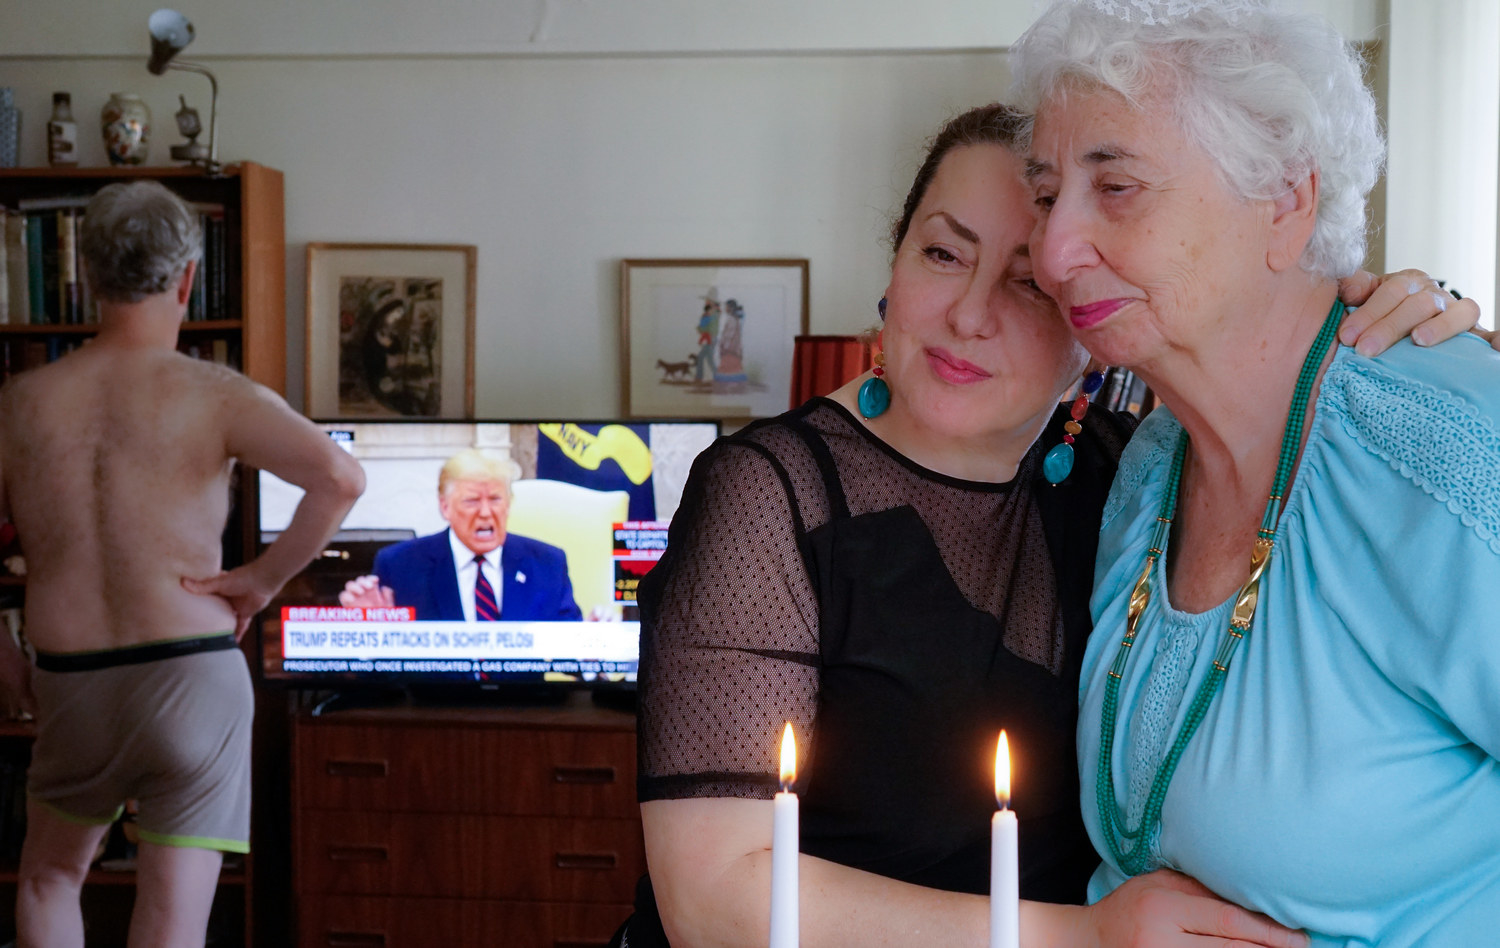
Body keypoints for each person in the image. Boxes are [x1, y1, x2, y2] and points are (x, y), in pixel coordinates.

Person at [618, 94, 1479, 945]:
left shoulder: (1140, 470)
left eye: (1028, 284)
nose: (968, 314)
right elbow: (713, 894)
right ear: (893, 267)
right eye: (943, 254)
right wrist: (1088, 939)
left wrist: (1402, 321)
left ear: (1090, 325)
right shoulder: (768, 494)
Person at [1014, 1, 1500, 945]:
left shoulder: (1444, 456)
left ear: (1285, 196)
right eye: (1045, 196)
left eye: (1115, 186)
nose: (1054, 250)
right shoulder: (1151, 466)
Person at [0, 180, 365, 948]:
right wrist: (261, 582)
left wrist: (2, 653)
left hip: (71, 682)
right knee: (171, 917)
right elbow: (340, 478)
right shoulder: (215, 393)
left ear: (91, 277)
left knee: (49, 879)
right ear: (188, 278)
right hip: (194, 671)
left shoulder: (21, 402)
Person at [339, 449, 583, 621]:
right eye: (472, 501)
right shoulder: (400, 565)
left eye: (496, 499)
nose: (486, 512)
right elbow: (384, 677)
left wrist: (597, 646)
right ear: (445, 507)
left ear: (509, 504)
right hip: (434, 696)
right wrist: (371, 637)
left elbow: (571, 654)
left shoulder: (547, 563)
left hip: (521, 696)